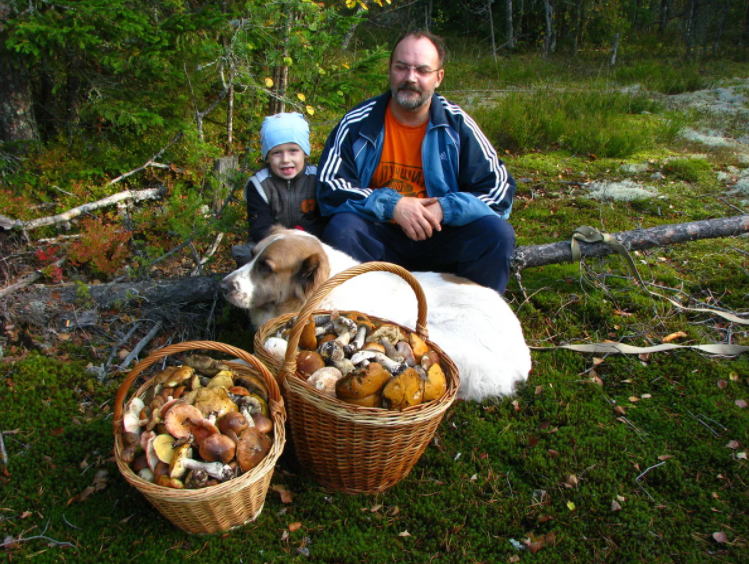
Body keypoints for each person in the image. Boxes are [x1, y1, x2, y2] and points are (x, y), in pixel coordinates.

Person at [316, 31, 517, 294]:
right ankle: (359, 322)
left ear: (438, 77)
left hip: (441, 237)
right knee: (342, 230)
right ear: (390, 70)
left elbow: (499, 191)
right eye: (401, 67)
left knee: (496, 234)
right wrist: (393, 205)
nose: (410, 78)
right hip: (380, 239)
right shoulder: (359, 123)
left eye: (422, 70)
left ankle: (473, 319)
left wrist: (445, 209)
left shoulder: (456, 125)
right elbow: (329, 189)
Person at [232, 112, 327, 266]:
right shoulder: (258, 185)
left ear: (305, 152)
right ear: (267, 156)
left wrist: (300, 233)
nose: (285, 159)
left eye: (293, 151)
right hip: (271, 244)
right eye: (277, 153)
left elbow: (326, 220)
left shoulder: (318, 179)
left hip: (310, 241)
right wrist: (284, 244)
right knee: (244, 254)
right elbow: (260, 227)